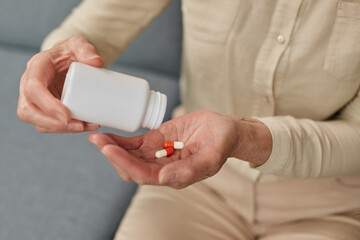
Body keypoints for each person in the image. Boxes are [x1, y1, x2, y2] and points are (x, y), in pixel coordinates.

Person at [17, 0, 360, 239]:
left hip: (329, 205)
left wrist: (245, 137)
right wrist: (55, 65)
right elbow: (101, 21)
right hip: (193, 184)